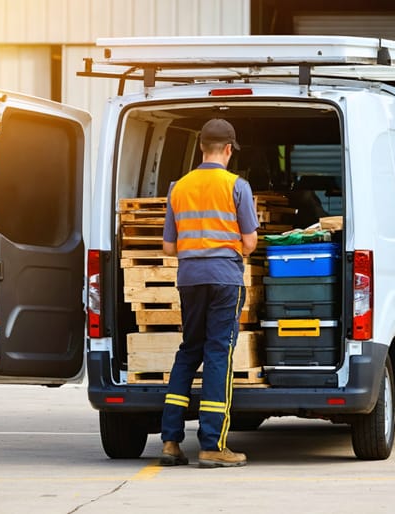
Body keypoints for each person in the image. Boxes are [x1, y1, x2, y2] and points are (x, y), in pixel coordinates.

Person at [159, 118, 259, 468]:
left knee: (189, 350)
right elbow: (249, 242)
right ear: (229, 149)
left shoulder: (178, 187)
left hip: (189, 278)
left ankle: (171, 441)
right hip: (224, 280)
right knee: (218, 353)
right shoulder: (237, 187)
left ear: (201, 147)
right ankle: (213, 444)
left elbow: (169, 247)